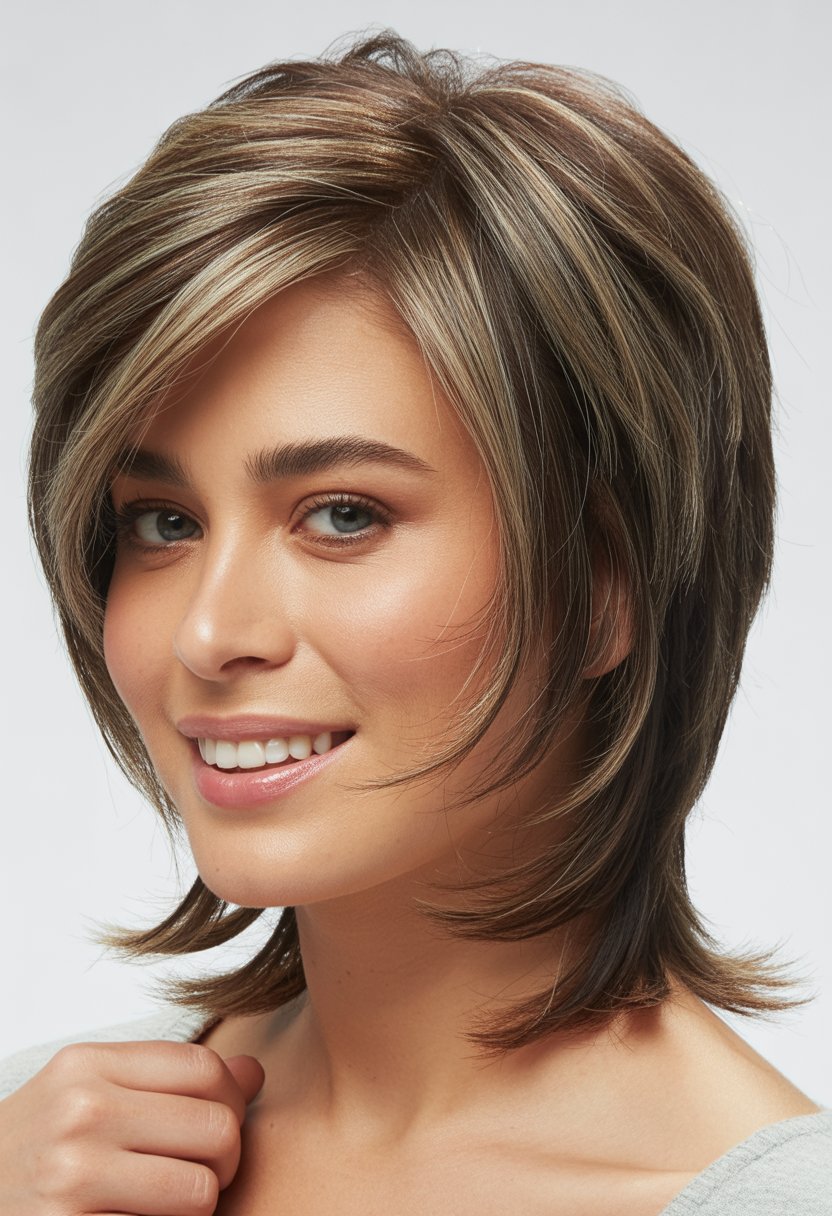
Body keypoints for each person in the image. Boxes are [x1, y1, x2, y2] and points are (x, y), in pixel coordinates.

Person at [1, 28, 829, 1216]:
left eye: (341, 514)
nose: (208, 632)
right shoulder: (40, 1146)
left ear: (606, 580)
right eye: (163, 521)